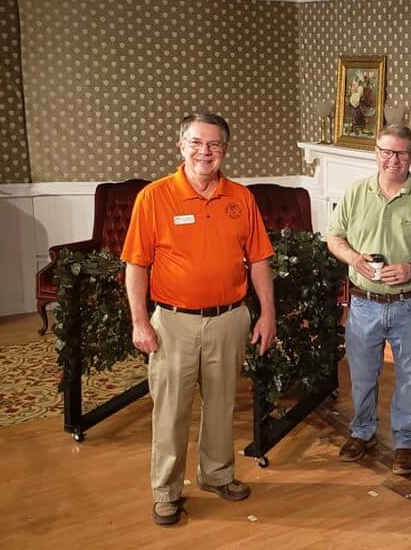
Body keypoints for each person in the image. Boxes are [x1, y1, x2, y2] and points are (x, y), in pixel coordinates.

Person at [121, 112, 277, 526]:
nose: (204, 152)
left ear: (225, 150)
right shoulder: (153, 197)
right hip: (174, 323)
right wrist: (140, 321)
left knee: (222, 405)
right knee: (171, 410)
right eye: (196, 142)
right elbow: (136, 265)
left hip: (230, 319)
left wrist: (267, 314)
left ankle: (217, 475)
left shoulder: (241, 198)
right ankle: (166, 491)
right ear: (181, 146)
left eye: (214, 144)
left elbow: (260, 260)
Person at [326, 124, 411, 476]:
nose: (393, 160)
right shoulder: (356, 193)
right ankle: (362, 432)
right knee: (362, 374)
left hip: (410, 304)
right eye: (387, 152)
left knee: (409, 377)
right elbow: (334, 237)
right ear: (376, 153)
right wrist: (354, 259)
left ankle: (405, 442)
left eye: (401, 153)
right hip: (364, 302)